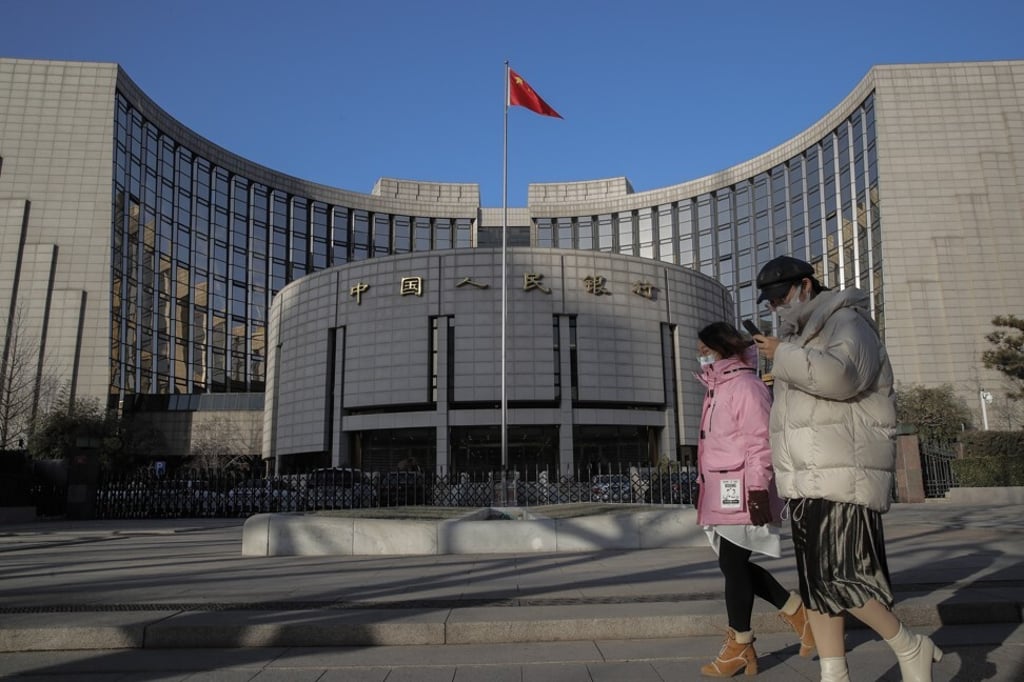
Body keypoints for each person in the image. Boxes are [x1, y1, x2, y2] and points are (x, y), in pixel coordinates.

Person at [751, 256, 942, 682]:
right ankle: (834, 674)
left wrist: (784, 354)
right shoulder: (799, 336)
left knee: (843, 579)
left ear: (806, 286)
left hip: (843, 474)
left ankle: (910, 645)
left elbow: (842, 378)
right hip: (806, 477)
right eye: (770, 301)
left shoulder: (847, 321)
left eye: (781, 296)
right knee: (816, 587)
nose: (777, 306)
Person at [695, 321, 815, 678]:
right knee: (733, 565)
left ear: (721, 348)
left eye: (705, 349)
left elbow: (760, 441)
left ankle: (741, 644)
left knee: (733, 565)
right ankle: (796, 612)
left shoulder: (746, 386)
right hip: (722, 489)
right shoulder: (717, 387)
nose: (701, 356)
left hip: (744, 489)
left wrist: (759, 490)